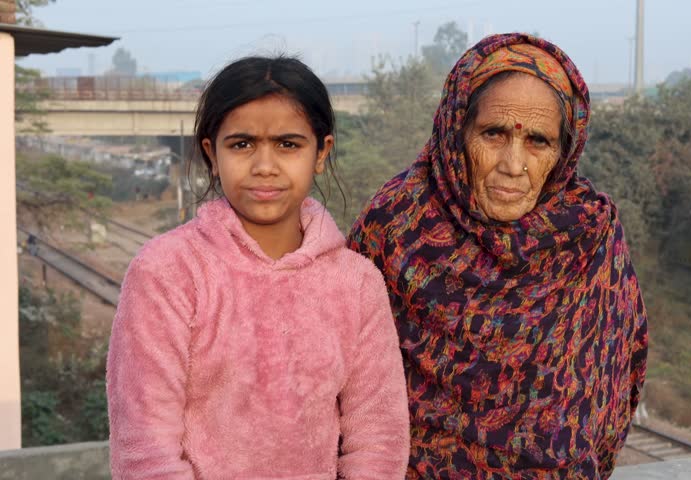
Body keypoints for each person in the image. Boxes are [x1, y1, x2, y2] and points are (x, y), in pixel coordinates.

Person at [349, 34, 648, 478]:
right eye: (493, 134)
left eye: (538, 142)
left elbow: (620, 386)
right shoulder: (396, 224)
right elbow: (337, 380)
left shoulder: (590, 238)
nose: (513, 164)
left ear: (565, 152)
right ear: (457, 131)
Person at [107, 55, 410, 479]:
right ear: (212, 153)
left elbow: (379, 438)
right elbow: (144, 448)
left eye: (288, 144)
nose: (264, 166)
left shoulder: (356, 284)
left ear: (321, 152)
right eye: (242, 144)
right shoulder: (167, 273)